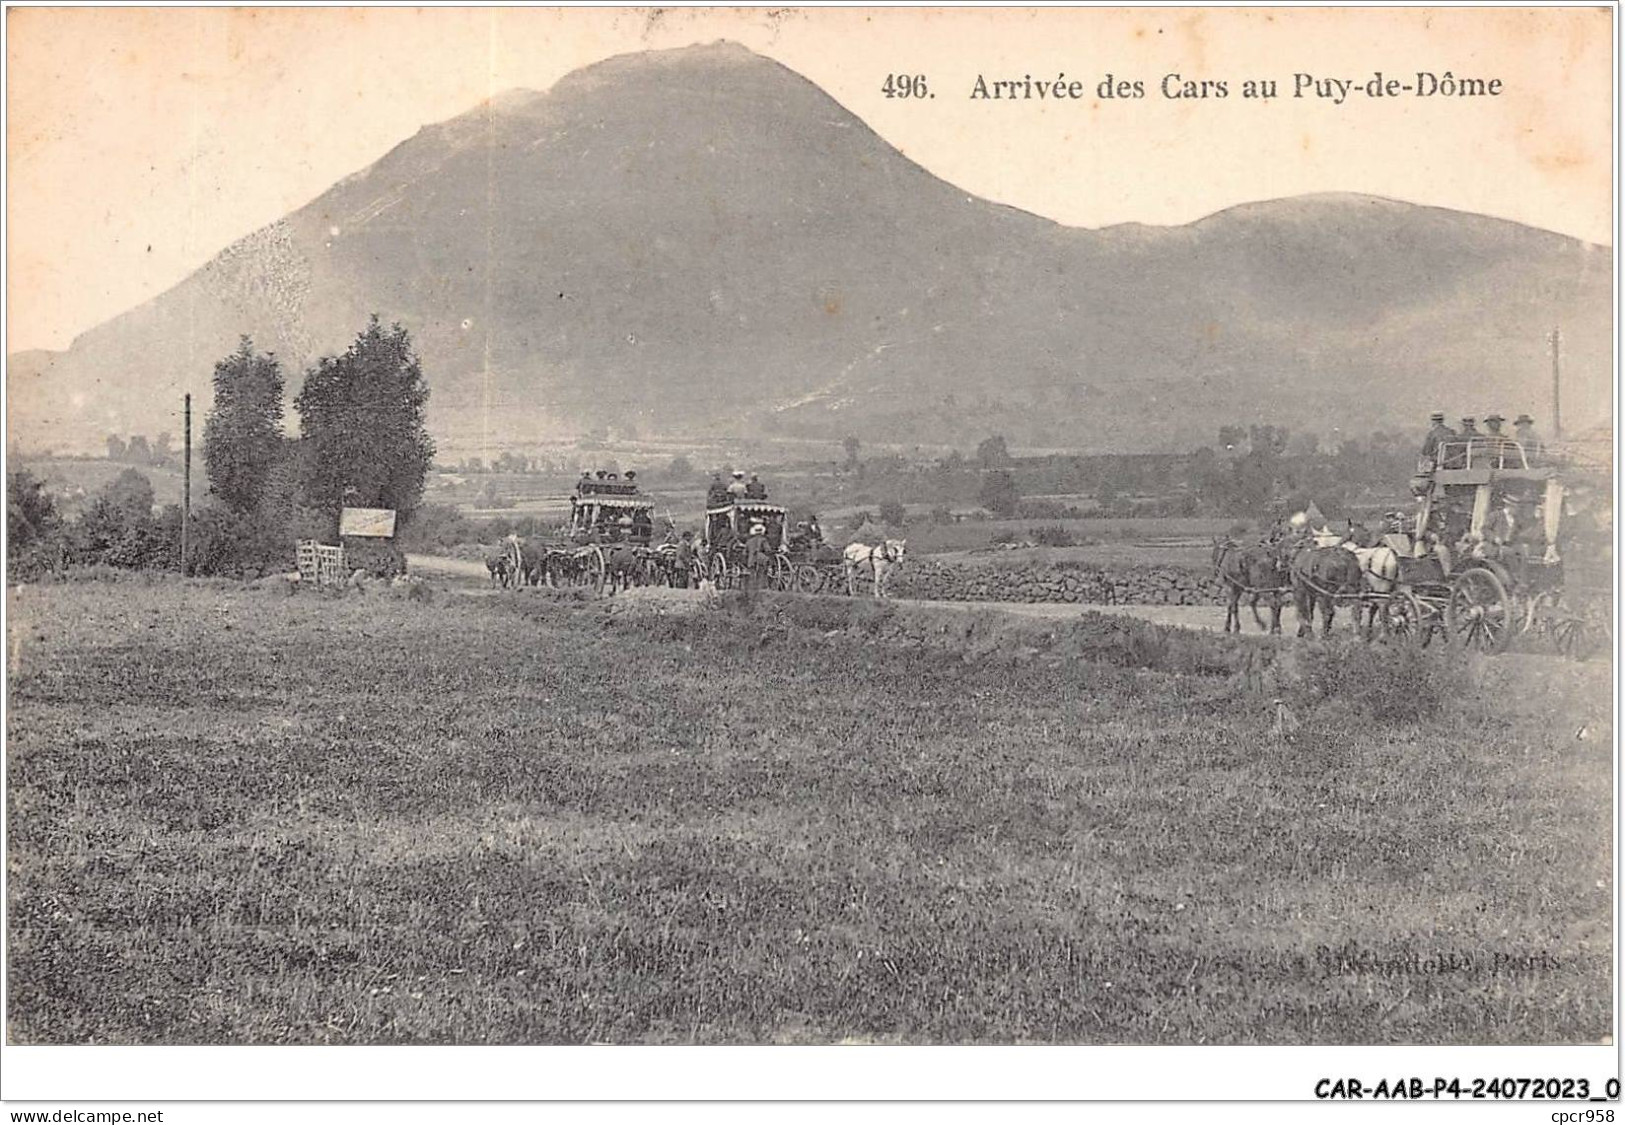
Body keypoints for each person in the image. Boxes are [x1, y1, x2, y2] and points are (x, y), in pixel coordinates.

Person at [744, 521, 770, 593]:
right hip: (760, 560)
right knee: (761, 573)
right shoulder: (763, 540)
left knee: (752, 575)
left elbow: (745, 552)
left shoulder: (749, 541)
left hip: (751, 561)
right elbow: (767, 550)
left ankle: (752, 589)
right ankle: (760, 588)